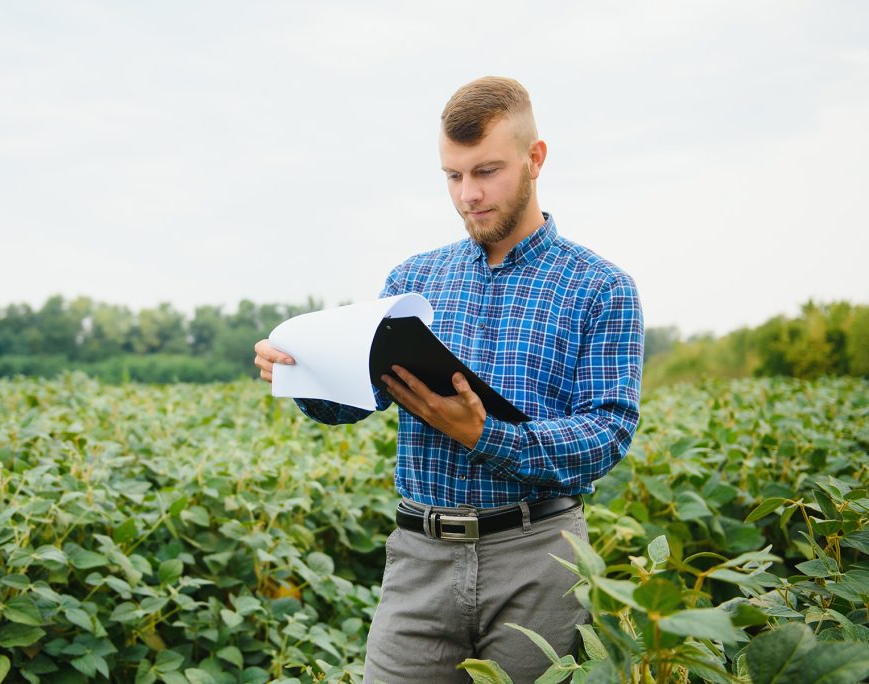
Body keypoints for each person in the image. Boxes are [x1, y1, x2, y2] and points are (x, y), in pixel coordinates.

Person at [254, 76, 643, 683]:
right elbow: (360, 398)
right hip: (420, 555)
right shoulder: (415, 279)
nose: (469, 195)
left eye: (487, 171)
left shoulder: (600, 287)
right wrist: (299, 371)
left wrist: (485, 434)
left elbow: (609, 432)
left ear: (535, 159)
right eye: (453, 176)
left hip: (539, 557)